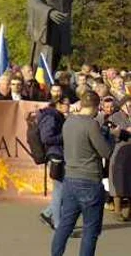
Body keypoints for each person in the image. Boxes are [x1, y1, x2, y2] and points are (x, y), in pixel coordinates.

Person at [51, 92, 123, 256]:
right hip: (89, 180)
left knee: (65, 226)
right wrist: (113, 137)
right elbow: (105, 152)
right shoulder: (91, 125)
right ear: (97, 107)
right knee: (90, 230)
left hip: (70, 179)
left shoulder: (68, 122)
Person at [38, 99, 67, 230]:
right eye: (66, 104)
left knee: (62, 189)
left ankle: (48, 213)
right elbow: (46, 138)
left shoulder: (55, 115)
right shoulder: (51, 116)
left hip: (59, 154)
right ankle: (58, 223)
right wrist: (65, 136)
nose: (69, 106)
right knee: (59, 189)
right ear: (59, 104)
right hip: (56, 155)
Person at [109, 97, 131, 221]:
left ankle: (129, 212)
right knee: (118, 180)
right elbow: (111, 133)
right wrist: (123, 131)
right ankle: (117, 210)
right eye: (127, 105)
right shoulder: (115, 117)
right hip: (120, 151)